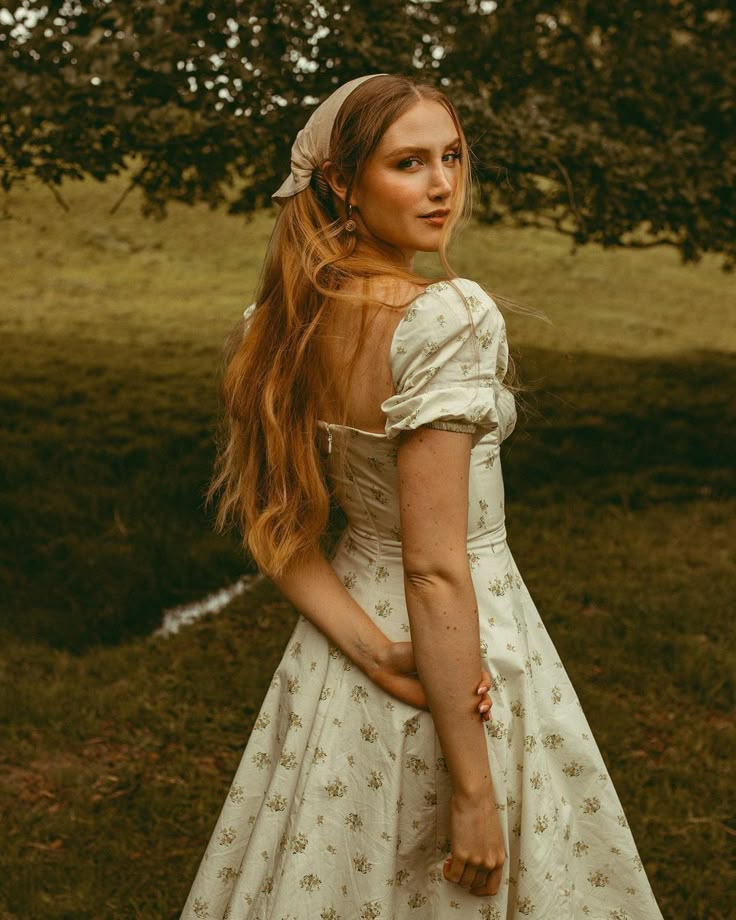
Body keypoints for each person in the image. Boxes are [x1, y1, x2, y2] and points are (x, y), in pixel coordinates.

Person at [180, 74, 663, 920]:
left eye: (451, 157)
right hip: (457, 651)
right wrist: (474, 793)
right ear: (341, 181)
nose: (442, 185)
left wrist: (366, 648)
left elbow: (280, 531)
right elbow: (437, 572)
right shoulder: (447, 319)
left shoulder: (280, 319)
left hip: (347, 646)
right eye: (409, 163)